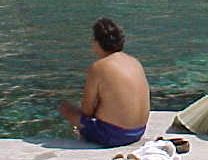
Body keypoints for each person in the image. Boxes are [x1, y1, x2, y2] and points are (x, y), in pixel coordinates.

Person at [59, 18, 150, 147]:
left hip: (114, 136)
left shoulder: (98, 67)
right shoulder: (134, 61)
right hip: (138, 131)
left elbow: (87, 111)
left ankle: (82, 133)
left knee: (66, 108)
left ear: (97, 42)